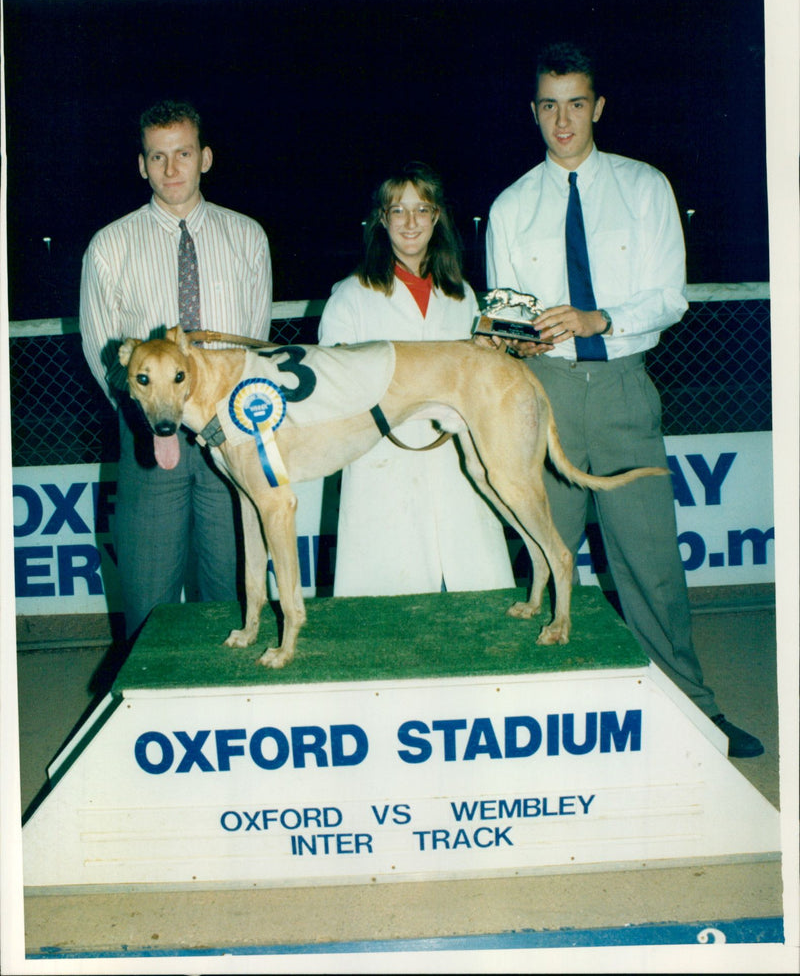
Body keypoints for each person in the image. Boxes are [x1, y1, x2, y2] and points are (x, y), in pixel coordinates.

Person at [485, 42, 763, 758]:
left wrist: (596, 317)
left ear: (598, 107)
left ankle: (695, 713)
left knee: (651, 563)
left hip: (622, 391)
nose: (562, 121)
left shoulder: (645, 188)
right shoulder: (511, 205)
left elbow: (668, 296)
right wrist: (510, 337)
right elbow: (505, 315)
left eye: (576, 103)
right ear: (534, 112)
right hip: (542, 398)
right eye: (549, 105)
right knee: (544, 561)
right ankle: (536, 719)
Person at [80, 99, 272, 640]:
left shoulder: (248, 238)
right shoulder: (110, 246)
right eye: (157, 157)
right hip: (151, 442)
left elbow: (250, 347)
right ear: (142, 165)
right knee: (149, 605)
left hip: (228, 436)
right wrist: (158, 416)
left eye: (182, 154)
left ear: (205, 157)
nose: (171, 170)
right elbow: (103, 352)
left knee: (234, 594)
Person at [319, 162, 514, 597]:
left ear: (437, 217)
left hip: (455, 458)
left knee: (475, 585)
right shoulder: (350, 297)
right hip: (382, 462)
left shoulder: (461, 294)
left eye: (422, 210)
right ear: (381, 220)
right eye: (398, 211)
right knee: (388, 598)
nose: (411, 223)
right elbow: (334, 388)